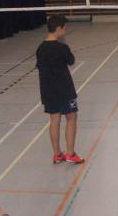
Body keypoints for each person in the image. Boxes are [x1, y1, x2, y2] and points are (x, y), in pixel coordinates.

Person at [36, 15, 84, 165]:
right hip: (64, 90)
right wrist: (63, 43)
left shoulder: (40, 48)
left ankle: (57, 154)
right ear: (58, 29)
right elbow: (71, 61)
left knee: (54, 120)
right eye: (64, 28)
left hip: (47, 91)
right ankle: (70, 153)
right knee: (71, 118)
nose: (65, 31)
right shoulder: (62, 47)